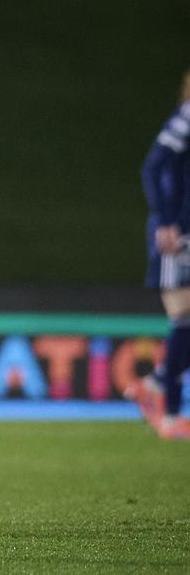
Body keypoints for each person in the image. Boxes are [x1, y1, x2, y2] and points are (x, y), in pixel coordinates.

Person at [135, 68, 190, 440]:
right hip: (179, 237)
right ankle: (169, 414)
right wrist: (168, 220)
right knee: (183, 318)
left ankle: (156, 386)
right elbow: (153, 166)